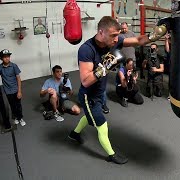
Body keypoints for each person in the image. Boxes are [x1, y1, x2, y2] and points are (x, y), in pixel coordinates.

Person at [68, 16, 161, 165]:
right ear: (101, 32)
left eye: (117, 35)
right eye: (113, 35)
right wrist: (105, 67)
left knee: (89, 116)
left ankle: (74, 134)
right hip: (88, 95)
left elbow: (138, 41)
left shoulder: (114, 40)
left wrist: (155, 35)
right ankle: (111, 155)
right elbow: (85, 81)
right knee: (101, 124)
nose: (116, 39)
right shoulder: (86, 49)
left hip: (100, 92)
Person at [0, 49, 25, 126]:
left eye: (8, 56)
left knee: (18, 105)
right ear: (1, 58)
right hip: (8, 91)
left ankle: (20, 118)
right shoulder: (0, 67)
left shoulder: (14, 66)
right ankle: (15, 117)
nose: (7, 58)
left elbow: (18, 79)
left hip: (15, 89)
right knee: (12, 105)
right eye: (5, 57)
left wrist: (19, 91)